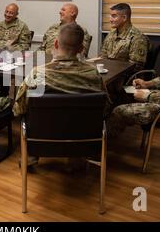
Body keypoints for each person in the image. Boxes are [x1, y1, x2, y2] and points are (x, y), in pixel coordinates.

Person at [14, 23, 105, 168]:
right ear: (82, 49)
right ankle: (75, 155)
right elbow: (104, 109)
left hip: (43, 138)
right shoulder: (94, 75)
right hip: (82, 138)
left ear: (55, 43)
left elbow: (19, 109)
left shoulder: (38, 73)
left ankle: (32, 155)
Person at [101, 3, 149, 71]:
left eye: (114, 16)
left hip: (125, 77)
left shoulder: (137, 38)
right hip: (109, 72)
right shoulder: (111, 34)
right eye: (110, 16)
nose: (110, 20)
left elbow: (136, 67)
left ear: (124, 18)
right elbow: (103, 56)